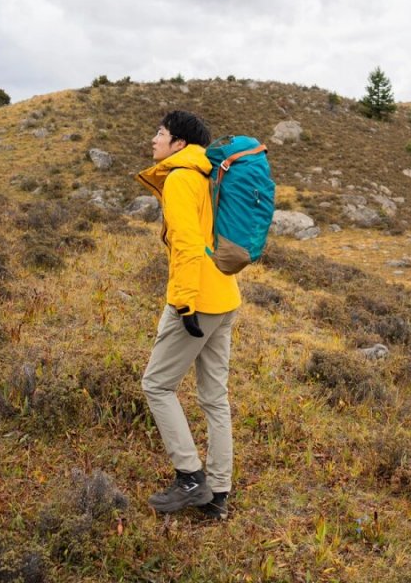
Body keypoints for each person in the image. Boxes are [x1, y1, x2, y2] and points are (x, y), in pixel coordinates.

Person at [139, 109, 240, 521]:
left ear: (179, 143)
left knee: (157, 385)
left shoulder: (181, 177)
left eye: (160, 133)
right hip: (225, 296)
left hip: (197, 298)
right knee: (215, 398)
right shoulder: (205, 175)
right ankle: (218, 494)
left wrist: (183, 303)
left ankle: (190, 477)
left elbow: (186, 244)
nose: (154, 140)